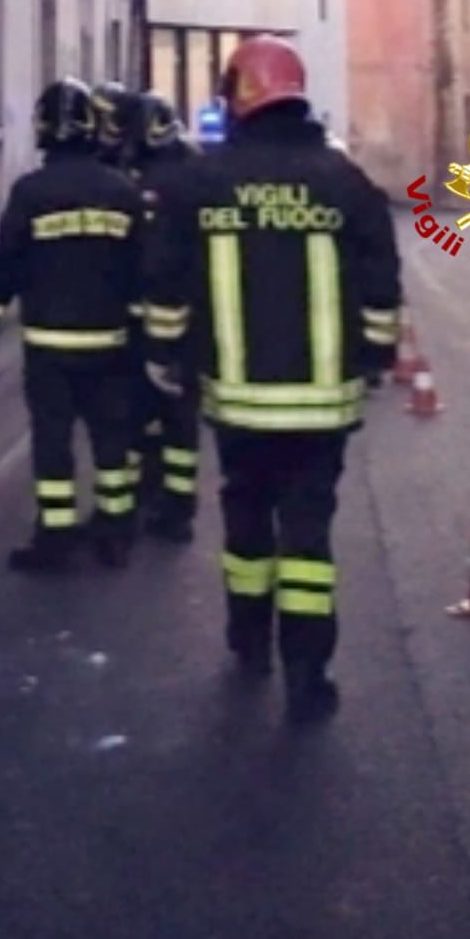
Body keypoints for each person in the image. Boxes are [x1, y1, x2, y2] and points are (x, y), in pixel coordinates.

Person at [142, 37, 402, 723]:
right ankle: (308, 675)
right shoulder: (345, 182)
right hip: (322, 410)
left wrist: (167, 355)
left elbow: (164, 285)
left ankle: (249, 641)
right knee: (309, 536)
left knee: (247, 519)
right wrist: (373, 360)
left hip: (237, 406)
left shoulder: (201, 183)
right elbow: (382, 289)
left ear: (242, 96)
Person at [0, 78, 145, 573]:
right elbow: (143, 269)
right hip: (111, 343)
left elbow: (8, 264)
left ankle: (56, 537)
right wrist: (145, 335)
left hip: (49, 347)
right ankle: (116, 532)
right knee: (111, 440)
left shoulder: (30, 192)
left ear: (44, 129)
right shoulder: (123, 192)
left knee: (53, 441)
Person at [129, 93, 204, 544]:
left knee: (146, 415)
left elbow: (155, 266)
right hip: (192, 324)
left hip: (155, 325)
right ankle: (178, 506)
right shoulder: (194, 174)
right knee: (180, 419)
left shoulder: (150, 185)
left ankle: (151, 497)